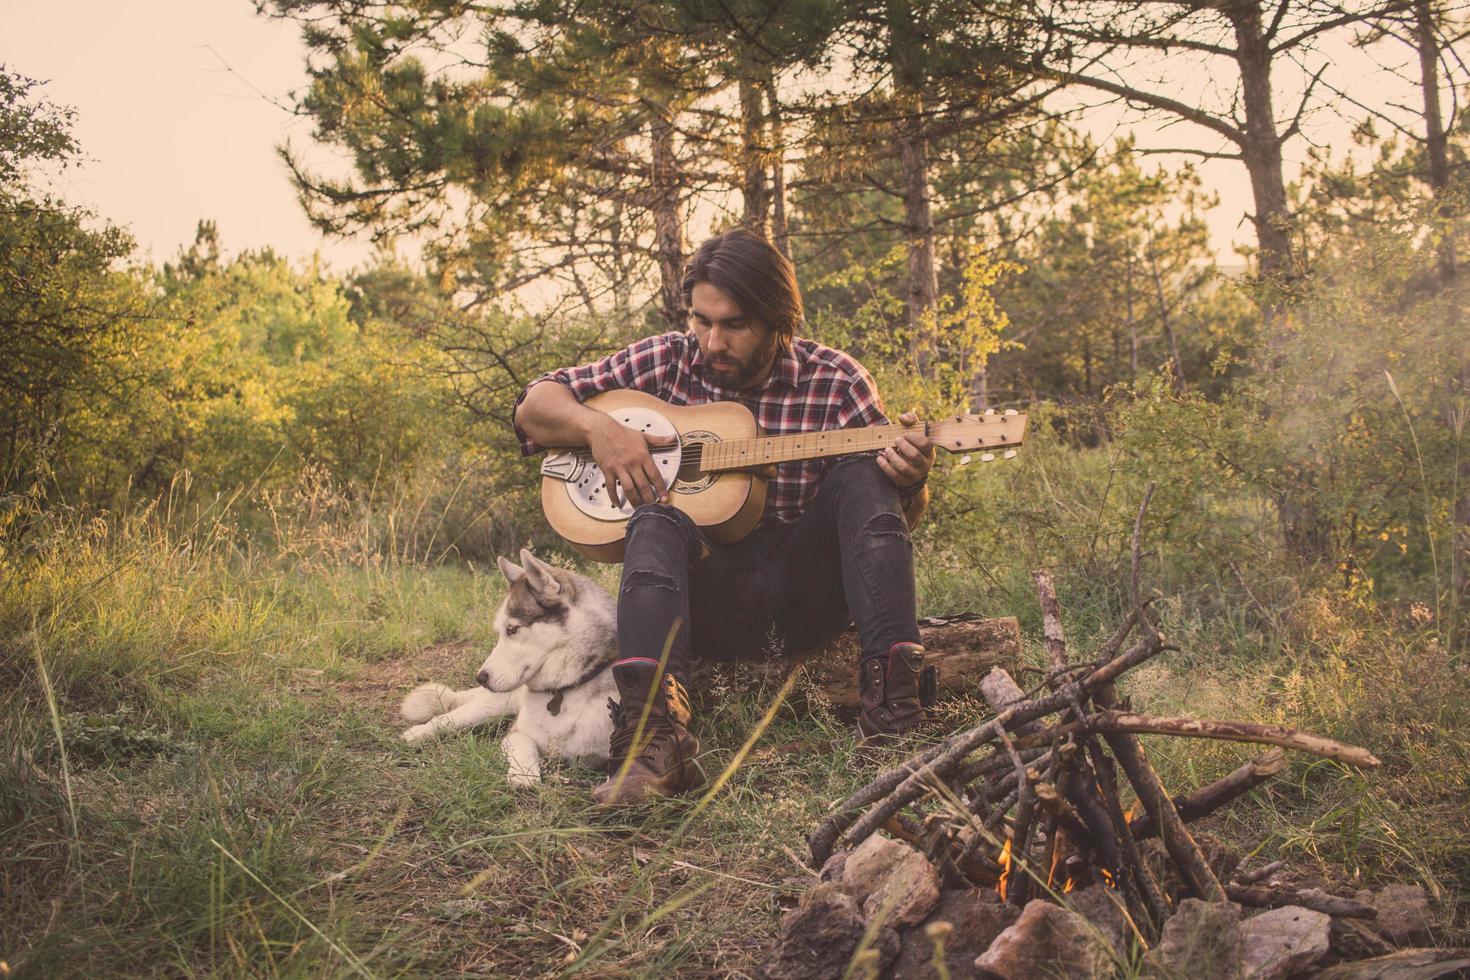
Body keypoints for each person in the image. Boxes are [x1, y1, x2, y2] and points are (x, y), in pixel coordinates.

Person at [513, 228, 936, 805]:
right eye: (701, 320)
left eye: (734, 324)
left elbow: (887, 518)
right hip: (700, 607)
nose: (713, 340)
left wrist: (910, 482)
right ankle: (652, 746)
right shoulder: (666, 361)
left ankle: (895, 720)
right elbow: (533, 408)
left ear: (777, 320)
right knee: (654, 519)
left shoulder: (836, 381)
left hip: (807, 600)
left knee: (866, 474)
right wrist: (602, 431)